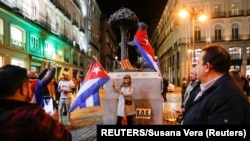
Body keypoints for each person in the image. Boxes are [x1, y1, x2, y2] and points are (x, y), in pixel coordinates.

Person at [182, 44, 250, 125]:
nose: (196, 67)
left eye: (198, 63)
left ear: (207, 67)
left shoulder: (226, 96)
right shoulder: (206, 87)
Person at [0, 64, 72, 141]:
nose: (30, 90)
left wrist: (47, 69)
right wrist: (54, 120)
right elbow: (65, 137)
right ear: (23, 88)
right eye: (28, 86)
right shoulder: (34, 117)